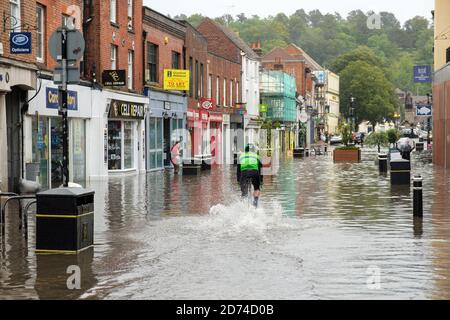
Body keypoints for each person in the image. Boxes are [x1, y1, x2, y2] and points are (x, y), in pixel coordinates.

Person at [237, 144, 263, 208]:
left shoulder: (241, 156)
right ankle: (255, 204)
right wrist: (261, 181)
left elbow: (238, 171)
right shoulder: (257, 156)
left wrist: (239, 181)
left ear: (245, 150)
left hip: (244, 173)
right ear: (254, 150)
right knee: (256, 188)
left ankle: (243, 206)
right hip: (255, 172)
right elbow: (260, 170)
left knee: (244, 191)